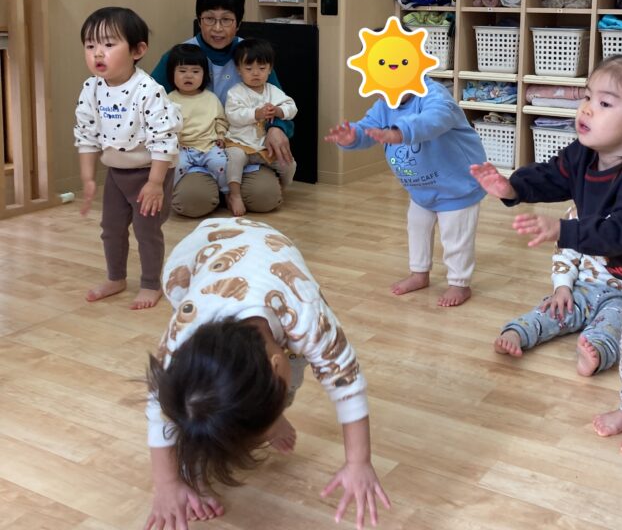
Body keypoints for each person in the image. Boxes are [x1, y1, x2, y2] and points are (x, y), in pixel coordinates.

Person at [472, 54, 622, 458]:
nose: (586, 108)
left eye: (604, 103)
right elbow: (552, 175)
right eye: (587, 97)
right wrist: (512, 188)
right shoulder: (585, 154)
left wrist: (562, 230)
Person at [144, 217, 390, 530]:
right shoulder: (181, 337)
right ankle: (218, 453)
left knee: (293, 370)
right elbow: (159, 408)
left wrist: (358, 461)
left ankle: (269, 415)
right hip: (203, 260)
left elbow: (345, 379)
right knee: (195, 405)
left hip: (260, 249)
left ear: (276, 364)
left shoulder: (304, 313)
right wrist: (166, 483)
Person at [325, 78, 486, 308]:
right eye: (379, 90)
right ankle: (419, 273)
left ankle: (460, 283)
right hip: (420, 189)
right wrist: (353, 137)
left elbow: (435, 118)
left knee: (455, 237)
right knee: (417, 228)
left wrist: (401, 132)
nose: (385, 95)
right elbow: (368, 127)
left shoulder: (434, 94)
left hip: (457, 187)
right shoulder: (384, 105)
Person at [150, 0, 294, 217]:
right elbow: (149, 102)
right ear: (199, 21)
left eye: (226, 20)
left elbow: (278, 100)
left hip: (245, 147)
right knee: (192, 201)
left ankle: (230, 188)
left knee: (265, 198)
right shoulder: (180, 56)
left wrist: (277, 127)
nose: (217, 28)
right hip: (196, 149)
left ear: (238, 24)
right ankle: (212, 188)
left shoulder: (252, 56)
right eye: (209, 19)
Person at [74, 7, 182, 310]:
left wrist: (155, 183)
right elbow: (86, 134)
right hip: (117, 173)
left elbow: (164, 140)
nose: (98, 53)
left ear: (137, 51)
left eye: (109, 44)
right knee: (111, 228)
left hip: (150, 171)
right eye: (90, 45)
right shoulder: (91, 89)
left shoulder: (148, 91)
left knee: (146, 231)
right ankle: (116, 278)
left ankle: (150, 283)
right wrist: (88, 178)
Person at [494, 228, 622, 377]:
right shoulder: (581, 216)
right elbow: (566, 253)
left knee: (613, 325)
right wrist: (562, 287)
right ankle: (517, 332)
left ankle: (597, 350)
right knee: (552, 310)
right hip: (583, 288)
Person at [225, 38, 297, 216]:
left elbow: (292, 107)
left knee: (288, 163)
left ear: (270, 69)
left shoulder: (273, 91)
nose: (255, 73)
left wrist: (279, 111)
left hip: (264, 146)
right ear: (239, 70)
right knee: (234, 159)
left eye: (262, 68)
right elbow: (233, 115)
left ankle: (282, 187)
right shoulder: (235, 92)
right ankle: (234, 194)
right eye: (249, 69)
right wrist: (255, 114)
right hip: (240, 143)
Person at [165, 43, 229, 202]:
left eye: (195, 71)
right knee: (173, 166)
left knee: (221, 163)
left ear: (204, 74)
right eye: (182, 71)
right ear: (172, 73)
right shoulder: (169, 99)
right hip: (182, 147)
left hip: (208, 146)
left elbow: (221, 120)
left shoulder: (211, 98)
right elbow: (164, 126)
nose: (188, 76)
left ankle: (227, 193)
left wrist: (221, 136)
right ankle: (168, 195)